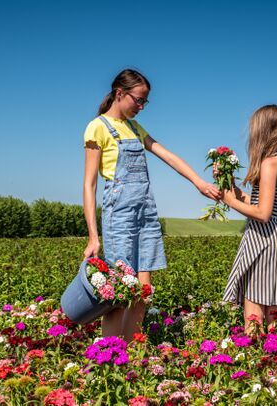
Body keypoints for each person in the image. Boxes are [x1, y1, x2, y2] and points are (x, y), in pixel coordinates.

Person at [83, 68, 220, 340]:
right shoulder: (97, 127)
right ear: (120, 93)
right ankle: (111, 354)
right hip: (119, 215)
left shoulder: (134, 128)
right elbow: (89, 185)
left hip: (145, 212)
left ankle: (133, 352)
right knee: (121, 292)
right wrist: (93, 236)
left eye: (145, 102)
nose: (141, 107)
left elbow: (167, 155)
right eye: (138, 100)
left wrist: (199, 182)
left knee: (144, 293)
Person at [221, 104, 277, 335]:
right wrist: (232, 188)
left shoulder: (269, 163)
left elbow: (263, 214)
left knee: (253, 302)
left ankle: (254, 356)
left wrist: (229, 201)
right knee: (275, 304)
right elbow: (265, 204)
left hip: (265, 238)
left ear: (264, 130)